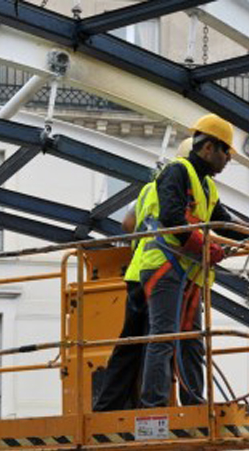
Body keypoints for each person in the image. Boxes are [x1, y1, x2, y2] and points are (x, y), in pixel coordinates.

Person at [133, 114, 249, 408]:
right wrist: (205, 248)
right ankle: (154, 405)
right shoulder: (177, 172)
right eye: (226, 151)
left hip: (185, 271)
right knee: (164, 336)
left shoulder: (207, 186)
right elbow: (171, 219)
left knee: (192, 341)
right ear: (208, 148)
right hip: (163, 266)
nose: (229, 159)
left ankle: (193, 402)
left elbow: (228, 227)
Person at [92, 139, 195, 411]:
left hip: (138, 272)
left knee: (130, 343)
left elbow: (127, 224)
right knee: (160, 339)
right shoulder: (184, 188)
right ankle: (153, 404)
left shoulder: (150, 188)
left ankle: (107, 405)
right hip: (160, 271)